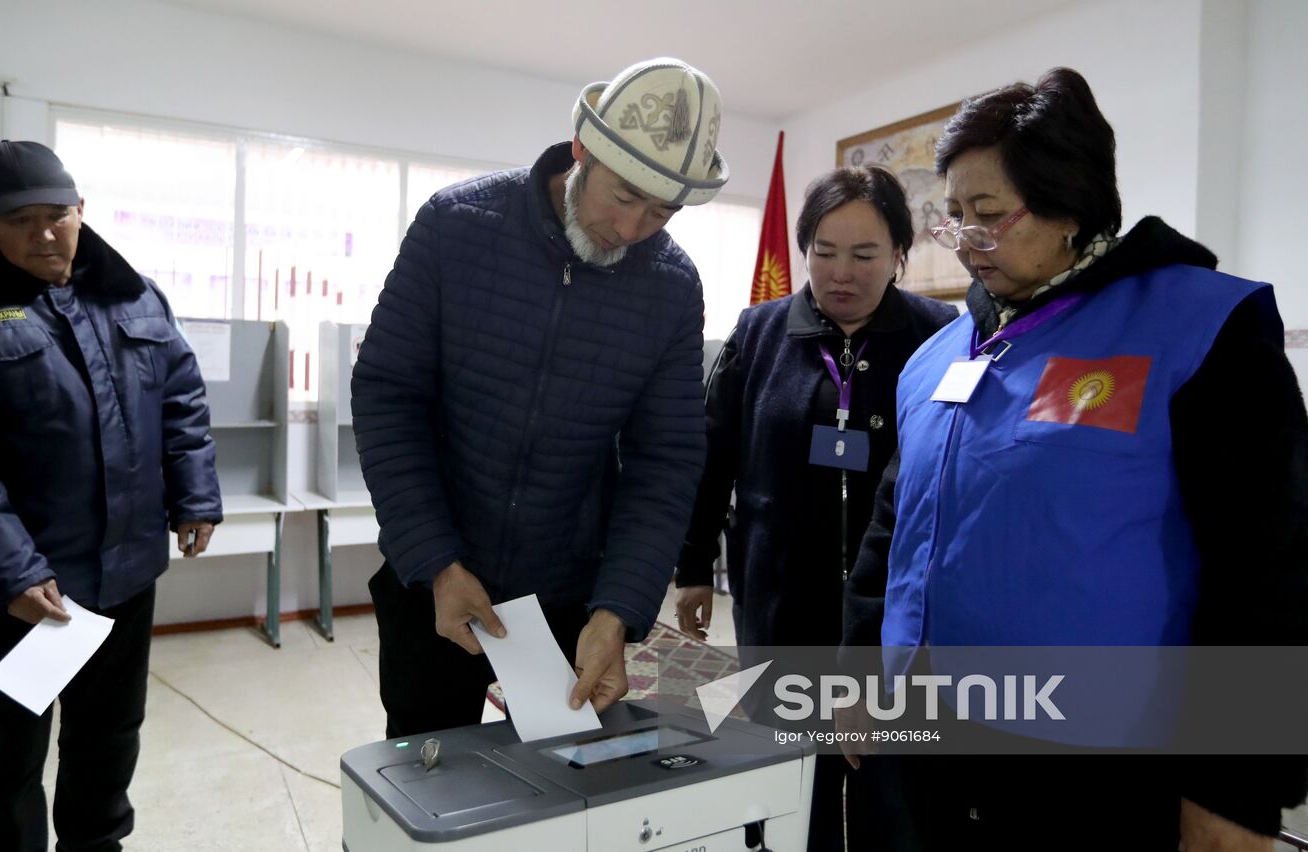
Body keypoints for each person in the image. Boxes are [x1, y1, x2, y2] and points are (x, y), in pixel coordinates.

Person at [842, 68, 1308, 850]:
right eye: (954, 216)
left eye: (989, 214)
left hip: (1092, 768)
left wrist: (1237, 790)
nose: (967, 239)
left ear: (1068, 205)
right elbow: (893, 529)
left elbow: (1268, 568)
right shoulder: (939, 357)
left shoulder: (1197, 328)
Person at [351, 58, 727, 737]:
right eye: (623, 197)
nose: (633, 229)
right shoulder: (456, 225)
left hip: (566, 594)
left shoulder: (671, 286)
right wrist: (437, 561)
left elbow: (666, 459)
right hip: (433, 576)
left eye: (662, 211)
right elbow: (388, 394)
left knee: (558, 772)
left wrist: (618, 610)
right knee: (428, 769)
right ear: (582, 150)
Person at [0, 140, 223, 852]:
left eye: (58, 215)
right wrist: (13, 574)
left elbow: (181, 398)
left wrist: (195, 493)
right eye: (20, 220)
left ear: (81, 209)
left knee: (108, 739)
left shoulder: (133, 294)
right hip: (18, 594)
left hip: (125, 577)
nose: (45, 234)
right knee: (3, 764)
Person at [672, 166, 955, 852]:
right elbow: (712, 456)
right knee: (793, 783)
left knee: (892, 786)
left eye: (865, 255)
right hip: (782, 602)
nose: (842, 274)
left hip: (893, 613)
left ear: (900, 254)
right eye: (824, 252)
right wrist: (694, 566)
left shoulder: (938, 334)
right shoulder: (761, 332)